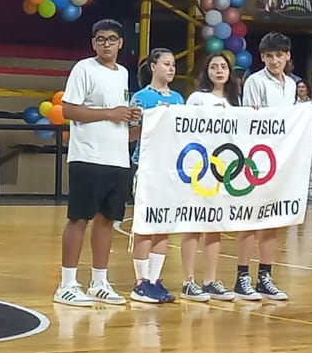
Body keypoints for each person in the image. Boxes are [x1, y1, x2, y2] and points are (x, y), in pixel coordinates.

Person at [54, 19, 138, 306]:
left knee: (107, 220)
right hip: (88, 156)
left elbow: (118, 115)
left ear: (121, 43)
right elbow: (68, 109)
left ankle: (99, 281)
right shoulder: (84, 68)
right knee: (79, 218)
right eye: (100, 39)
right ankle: (67, 283)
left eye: (112, 39)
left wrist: (130, 118)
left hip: (118, 158)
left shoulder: (123, 73)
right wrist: (110, 113)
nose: (106, 44)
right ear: (93, 43)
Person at [235, 31, 302, 302]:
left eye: (280, 55)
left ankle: (265, 276)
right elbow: (252, 120)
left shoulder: (291, 85)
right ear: (262, 57)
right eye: (270, 56)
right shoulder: (255, 81)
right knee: (250, 219)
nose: (275, 61)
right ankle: (242, 276)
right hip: (257, 159)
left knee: (272, 220)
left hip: (281, 160)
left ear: (288, 56)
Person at [181, 52, 241, 301]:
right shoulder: (198, 98)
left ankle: (210, 280)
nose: (219, 71)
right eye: (214, 67)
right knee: (194, 224)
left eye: (223, 67)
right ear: (206, 72)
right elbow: (185, 129)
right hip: (200, 168)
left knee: (215, 225)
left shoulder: (235, 102)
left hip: (224, 170)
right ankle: (188, 281)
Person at [128, 48, 183, 304]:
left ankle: (154, 279)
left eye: (173, 65)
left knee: (163, 224)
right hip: (148, 166)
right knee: (146, 223)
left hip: (171, 168)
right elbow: (130, 134)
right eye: (166, 64)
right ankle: (140, 282)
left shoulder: (179, 99)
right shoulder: (141, 98)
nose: (171, 69)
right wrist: (147, 123)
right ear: (153, 66)